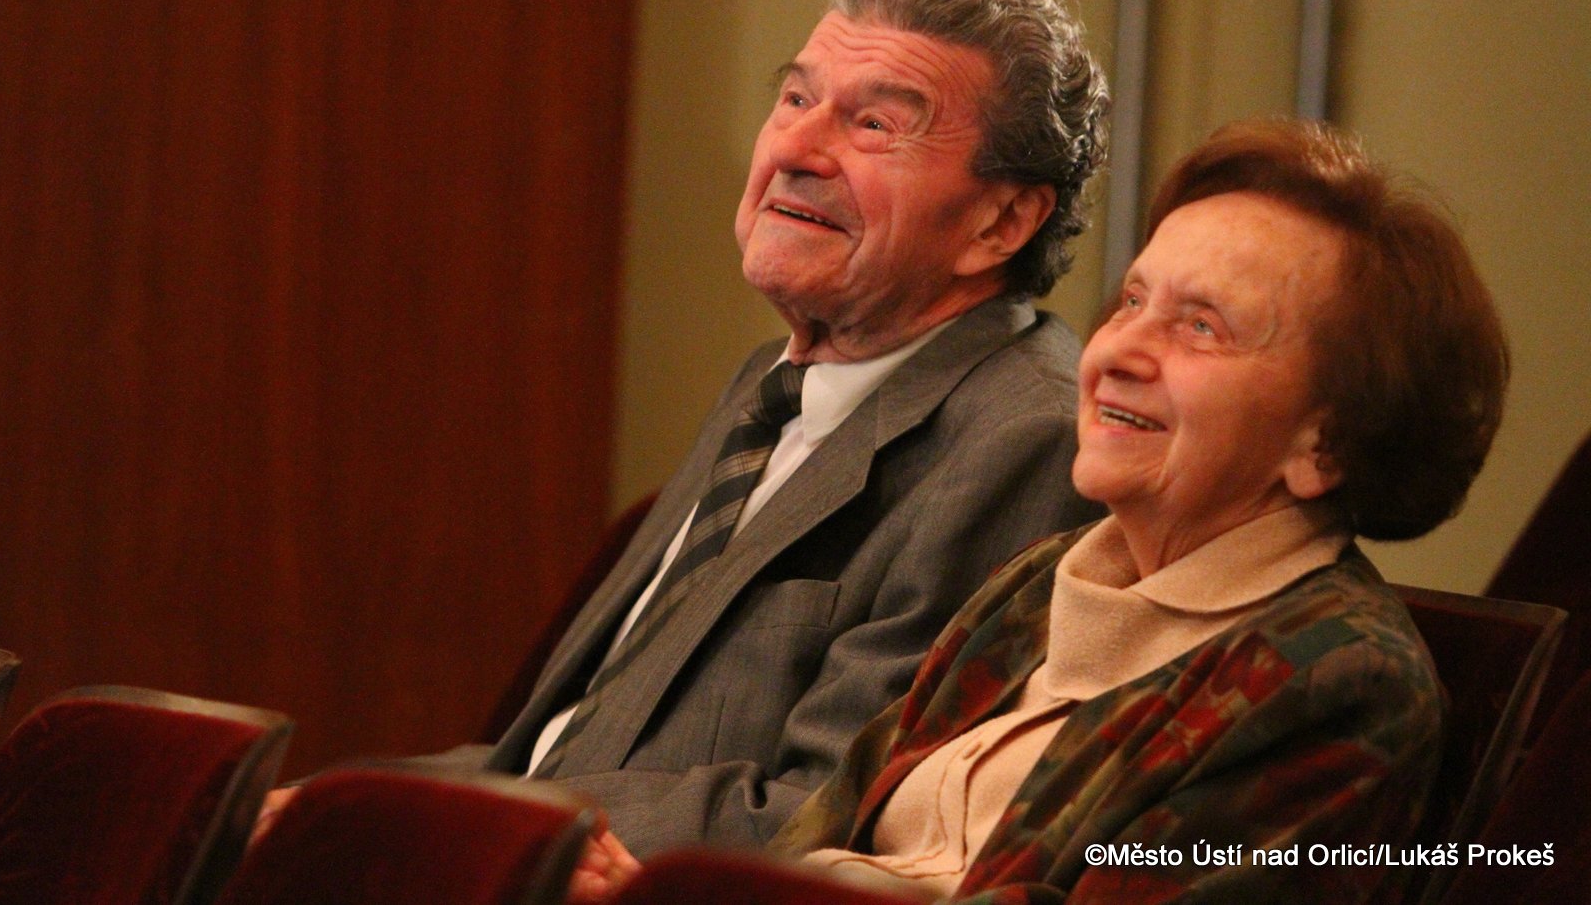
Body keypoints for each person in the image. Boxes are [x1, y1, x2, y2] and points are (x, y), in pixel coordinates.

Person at [257, 0, 1109, 867]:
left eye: (874, 125)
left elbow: (835, 810)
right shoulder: (774, 383)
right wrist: (340, 806)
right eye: (796, 99)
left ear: (1001, 221)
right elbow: (552, 751)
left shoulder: (1025, 438)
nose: (796, 149)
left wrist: (468, 828)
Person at [574, 117, 1508, 903]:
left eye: (1201, 326)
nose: (1118, 351)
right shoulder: (1046, 580)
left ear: (1327, 442)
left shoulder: (1338, 682)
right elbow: (828, 829)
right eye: (1132, 299)